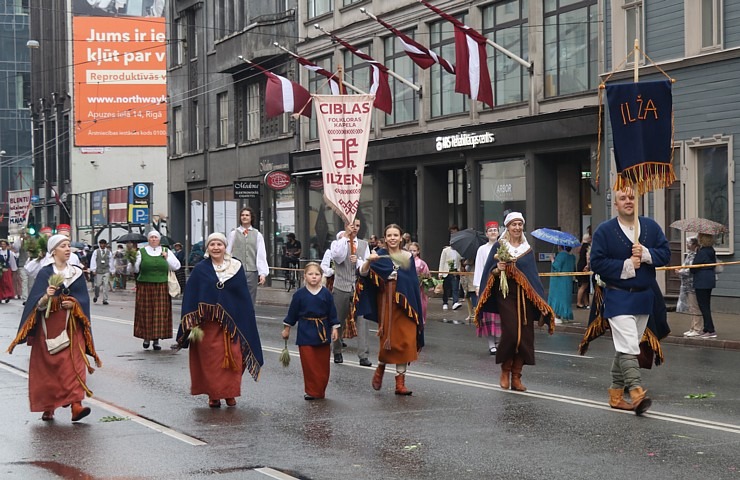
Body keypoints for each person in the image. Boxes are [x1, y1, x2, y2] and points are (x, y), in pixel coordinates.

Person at [588, 188, 670, 415]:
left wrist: (645, 254)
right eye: (623, 198)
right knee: (628, 346)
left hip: (644, 297)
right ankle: (636, 392)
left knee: (626, 347)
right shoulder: (605, 231)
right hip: (618, 296)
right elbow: (597, 263)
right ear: (615, 204)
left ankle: (615, 395)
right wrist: (625, 265)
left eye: (631, 197)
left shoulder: (651, 227)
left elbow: (665, 254)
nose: (628, 201)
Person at [7, 234, 102, 422]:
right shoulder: (45, 273)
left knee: (74, 363)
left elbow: (83, 300)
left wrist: (74, 303)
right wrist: (47, 297)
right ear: (53, 251)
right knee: (50, 367)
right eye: (63, 246)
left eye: (68, 246)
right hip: (49, 327)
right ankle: (48, 406)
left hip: (73, 326)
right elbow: (36, 305)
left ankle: (76, 405)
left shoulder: (76, 273)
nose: (67, 249)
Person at [174, 233, 263, 408]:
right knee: (211, 362)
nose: (216, 247)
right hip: (208, 325)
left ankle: (229, 393)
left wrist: (244, 316)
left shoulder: (236, 267)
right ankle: (214, 395)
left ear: (225, 247)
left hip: (233, 325)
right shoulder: (201, 269)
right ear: (208, 248)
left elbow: (242, 296)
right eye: (212, 244)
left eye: (219, 244)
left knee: (235, 359)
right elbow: (191, 296)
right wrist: (192, 320)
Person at [475, 212, 555, 392]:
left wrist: (542, 302)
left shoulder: (527, 250)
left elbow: (533, 278)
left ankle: (517, 376)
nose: (517, 228)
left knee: (525, 336)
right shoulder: (499, 246)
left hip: (525, 297)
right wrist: (498, 269)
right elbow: (489, 272)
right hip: (506, 295)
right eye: (513, 224)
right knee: (511, 333)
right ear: (508, 227)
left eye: (520, 224)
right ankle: (505, 369)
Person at [356, 224, 423, 395]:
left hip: (406, 306)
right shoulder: (378, 256)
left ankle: (400, 384)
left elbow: (413, 283)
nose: (392, 238)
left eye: (395, 235)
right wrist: (369, 261)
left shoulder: (408, 257)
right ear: (385, 238)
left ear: (401, 238)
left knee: (407, 342)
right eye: (389, 235)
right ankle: (381, 366)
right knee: (389, 342)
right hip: (387, 304)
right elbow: (363, 274)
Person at [282, 262, 340, 400]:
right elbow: (292, 313)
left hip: (322, 332)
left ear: (321, 276)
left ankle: (320, 390)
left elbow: (332, 312)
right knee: (309, 364)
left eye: (317, 274)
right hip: (305, 331)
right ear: (305, 276)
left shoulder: (326, 293)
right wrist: (287, 329)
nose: (314, 277)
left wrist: (335, 328)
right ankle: (311, 391)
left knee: (322, 364)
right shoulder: (299, 295)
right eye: (310, 274)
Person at [329, 219, 372, 367]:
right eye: (352, 225)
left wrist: (359, 261)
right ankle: (337, 351)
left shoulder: (364, 245)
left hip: (358, 287)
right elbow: (337, 257)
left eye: (357, 226)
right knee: (338, 320)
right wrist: (346, 238)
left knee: (362, 322)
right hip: (341, 286)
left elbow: (366, 269)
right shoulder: (338, 242)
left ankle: (363, 355)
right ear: (346, 226)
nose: (355, 228)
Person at [133, 230, 181, 350]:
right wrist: (132, 262)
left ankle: (156, 340)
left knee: (159, 313)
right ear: (148, 240)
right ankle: (146, 337)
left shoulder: (166, 251)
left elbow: (177, 266)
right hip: (145, 286)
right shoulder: (141, 252)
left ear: (159, 240)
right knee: (146, 312)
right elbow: (135, 270)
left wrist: (167, 258)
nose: (153, 239)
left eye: (155, 237)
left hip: (161, 285)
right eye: (151, 237)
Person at [226, 207, 269, 307]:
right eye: (242, 215)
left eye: (247, 215)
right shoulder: (233, 234)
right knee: (235, 295)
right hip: (236, 270)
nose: (244, 217)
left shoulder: (257, 235)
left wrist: (262, 273)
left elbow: (261, 254)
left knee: (250, 298)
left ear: (251, 218)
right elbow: (228, 252)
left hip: (251, 271)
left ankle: (248, 318)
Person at [474, 221, 502, 355]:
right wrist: (478, 285)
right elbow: (479, 268)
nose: (493, 233)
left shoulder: (502, 247)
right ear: (486, 234)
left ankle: (498, 341)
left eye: (495, 230)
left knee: (500, 315)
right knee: (488, 315)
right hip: (486, 284)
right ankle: (491, 343)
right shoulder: (482, 249)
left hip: (500, 285)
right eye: (490, 230)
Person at [692, 233, 717, 339]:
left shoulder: (702, 252)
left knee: (703, 306)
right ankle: (706, 328)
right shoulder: (711, 251)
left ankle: (711, 330)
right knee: (706, 304)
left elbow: (693, 267)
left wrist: (696, 254)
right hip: (709, 280)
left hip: (701, 281)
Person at [677, 237, 702, 337]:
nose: (687, 245)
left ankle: (697, 328)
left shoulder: (695, 255)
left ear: (694, 245)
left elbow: (691, 269)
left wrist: (680, 271)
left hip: (692, 285)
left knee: (695, 307)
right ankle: (692, 327)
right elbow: (685, 266)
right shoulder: (689, 255)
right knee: (691, 307)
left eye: (689, 243)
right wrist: (680, 270)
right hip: (686, 284)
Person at [548, 246, 576, 324]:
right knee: (566, 298)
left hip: (558, 281)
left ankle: (557, 316)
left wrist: (552, 259)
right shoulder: (572, 257)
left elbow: (556, 267)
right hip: (568, 280)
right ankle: (565, 315)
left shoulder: (561, 255)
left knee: (557, 297)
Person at [438, 225, 462, 311]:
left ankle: (455, 302)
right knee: (446, 288)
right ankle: (445, 302)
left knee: (455, 288)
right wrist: (440, 273)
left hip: (455, 271)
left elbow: (460, 260)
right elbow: (442, 261)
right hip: (446, 272)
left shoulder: (459, 251)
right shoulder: (445, 250)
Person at [408, 242, 430, 325]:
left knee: (421, 305)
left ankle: (420, 320)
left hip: (419, 289)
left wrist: (423, 280)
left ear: (418, 251)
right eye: (410, 250)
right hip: (408, 287)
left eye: (414, 250)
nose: (412, 252)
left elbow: (427, 276)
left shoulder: (421, 263)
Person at [90, 239, 114, 305]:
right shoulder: (96, 252)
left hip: (106, 270)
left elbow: (111, 262)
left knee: (105, 285)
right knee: (97, 285)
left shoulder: (109, 252)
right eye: (101, 244)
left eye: (103, 244)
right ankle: (96, 296)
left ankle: (105, 299)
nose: (102, 245)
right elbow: (93, 261)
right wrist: (93, 270)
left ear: (106, 244)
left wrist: (112, 271)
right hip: (98, 271)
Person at [576, 234, 591, 308]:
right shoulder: (587, 247)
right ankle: (579, 302)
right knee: (585, 285)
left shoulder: (580, 246)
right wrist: (588, 265)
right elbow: (588, 257)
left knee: (582, 285)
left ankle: (586, 303)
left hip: (579, 265)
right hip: (584, 266)